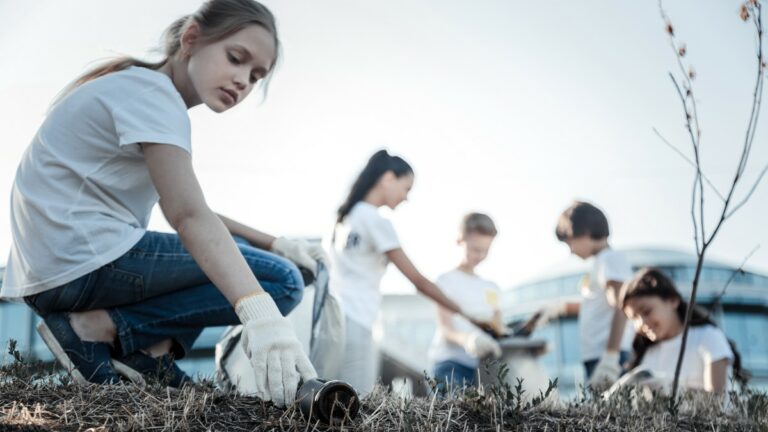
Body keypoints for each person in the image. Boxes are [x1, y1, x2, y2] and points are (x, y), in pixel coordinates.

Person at [1, 0, 324, 407]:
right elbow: (188, 216)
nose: (243, 80)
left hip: (54, 268)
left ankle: (145, 352)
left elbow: (189, 209)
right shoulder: (155, 96)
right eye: (236, 58)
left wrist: (275, 243)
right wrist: (262, 314)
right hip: (81, 262)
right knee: (283, 280)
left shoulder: (136, 87)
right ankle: (102, 331)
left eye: (256, 76)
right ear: (191, 38)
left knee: (237, 255)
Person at [328, 150, 491, 396]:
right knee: (354, 401)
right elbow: (418, 282)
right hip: (358, 318)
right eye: (406, 189)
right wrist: (465, 313)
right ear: (388, 178)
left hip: (332, 319)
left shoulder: (343, 218)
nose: (406, 198)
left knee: (328, 398)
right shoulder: (375, 220)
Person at [538, 201, 635, 388]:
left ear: (584, 233)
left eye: (569, 243)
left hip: (607, 354)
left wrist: (610, 358)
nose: (571, 251)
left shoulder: (609, 259)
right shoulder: (602, 261)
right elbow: (599, 304)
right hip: (599, 353)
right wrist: (561, 307)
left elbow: (621, 306)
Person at [620, 268, 746, 393]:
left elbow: (717, 401)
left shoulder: (708, 337)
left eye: (647, 311)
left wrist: (669, 388)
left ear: (673, 300)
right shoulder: (647, 353)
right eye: (634, 318)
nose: (641, 323)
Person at [428, 212, 503, 393]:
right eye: (475, 249)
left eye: (485, 250)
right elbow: (445, 328)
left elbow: (499, 329)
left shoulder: (492, 288)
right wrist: (468, 340)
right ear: (460, 240)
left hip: (482, 368)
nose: (480, 255)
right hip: (450, 365)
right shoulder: (446, 281)